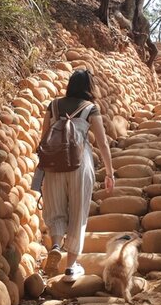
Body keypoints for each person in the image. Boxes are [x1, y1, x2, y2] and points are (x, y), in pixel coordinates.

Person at [41, 68, 114, 282]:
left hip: (54, 164)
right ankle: (71, 267)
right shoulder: (90, 108)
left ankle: (55, 245)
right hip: (80, 165)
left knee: (55, 209)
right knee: (78, 212)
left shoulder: (53, 105)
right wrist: (109, 173)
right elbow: (102, 142)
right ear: (89, 87)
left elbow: (44, 137)